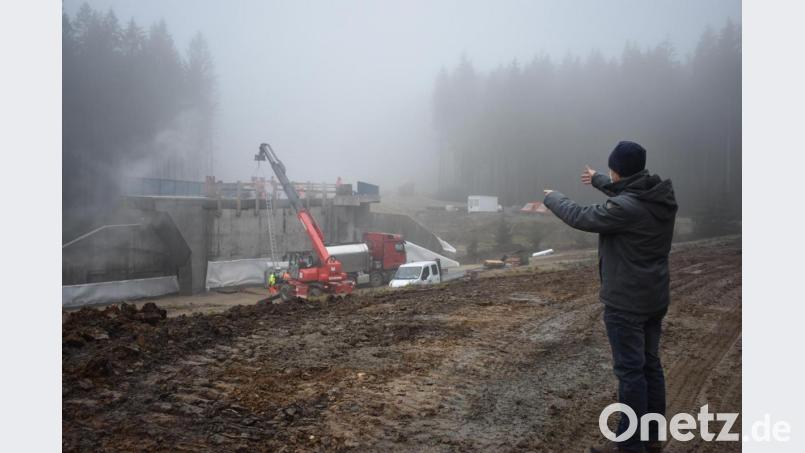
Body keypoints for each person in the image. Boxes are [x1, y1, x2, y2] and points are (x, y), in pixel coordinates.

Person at [542, 141, 678, 453]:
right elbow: (628, 192)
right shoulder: (658, 196)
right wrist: (600, 179)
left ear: (617, 170)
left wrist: (554, 198)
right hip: (654, 297)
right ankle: (652, 437)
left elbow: (580, 216)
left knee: (631, 374)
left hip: (626, 304)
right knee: (650, 366)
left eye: (611, 171)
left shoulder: (625, 209)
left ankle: (631, 446)